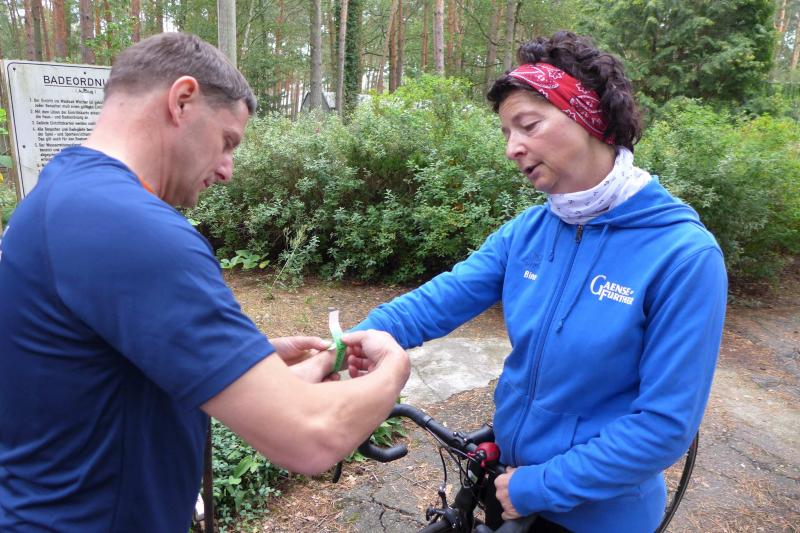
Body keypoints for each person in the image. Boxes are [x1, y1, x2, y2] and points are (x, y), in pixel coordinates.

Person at [0, 33, 410, 531]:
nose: (227, 170)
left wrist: (246, 364)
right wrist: (394, 369)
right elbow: (310, 437)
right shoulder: (132, 226)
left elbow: (100, 375)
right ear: (182, 100)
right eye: (227, 141)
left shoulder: (62, 193)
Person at [349, 31, 727, 532]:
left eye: (528, 125)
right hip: (510, 484)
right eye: (506, 132)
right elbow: (442, 298)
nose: (512, 148)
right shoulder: (530, 230)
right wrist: (352, 342)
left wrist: (539, 486)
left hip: (597, 516)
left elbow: (664, 426)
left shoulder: (683, 256)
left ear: (589, 117)